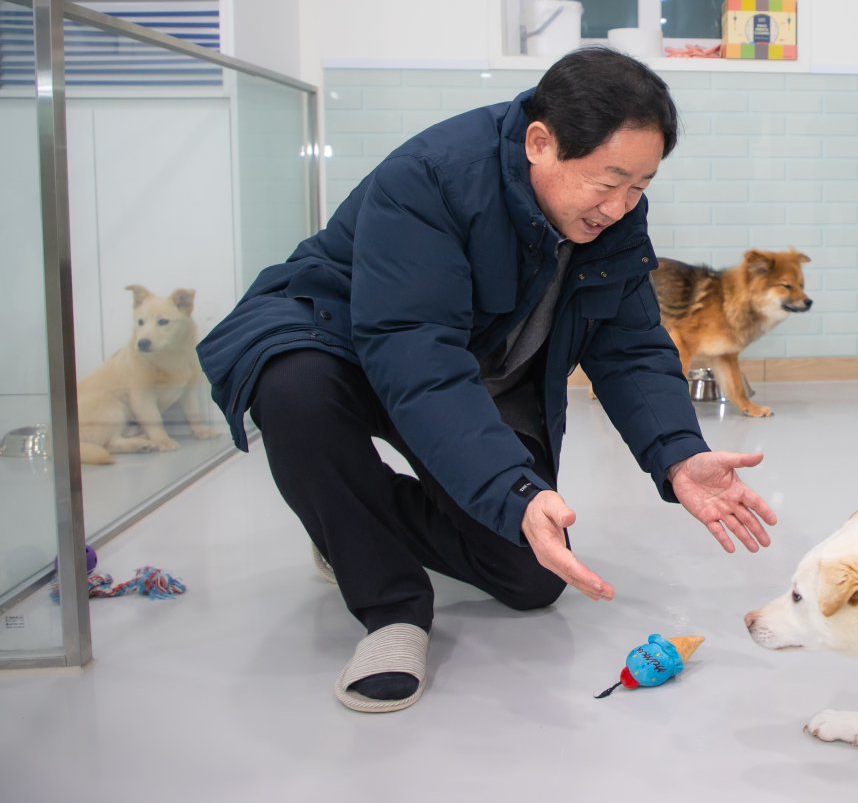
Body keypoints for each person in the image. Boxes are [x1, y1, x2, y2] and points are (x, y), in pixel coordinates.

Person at [198, 47, 778, 713]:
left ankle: (342, 511)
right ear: (540, 142)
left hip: (473, 371)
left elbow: (629, 346)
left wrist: (677, 454)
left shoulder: (612, 217)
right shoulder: (430, 180)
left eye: (640, 186)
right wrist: (510, 485)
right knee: (294, 389)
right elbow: (416, 356)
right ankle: (391, 611)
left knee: (531, 575)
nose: (620, 206)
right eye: (608, 180)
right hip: (347, 343)